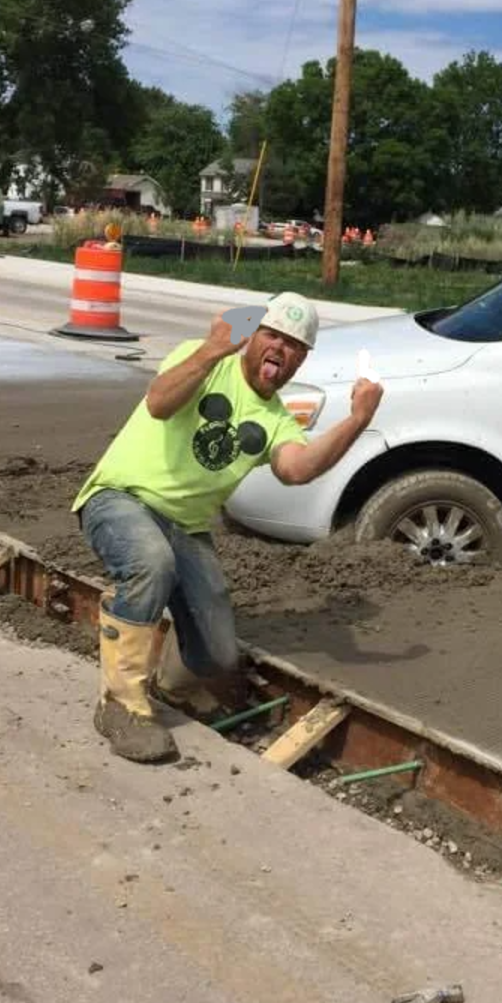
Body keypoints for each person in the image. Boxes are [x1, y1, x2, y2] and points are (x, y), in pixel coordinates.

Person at [72, 292, 384, 764]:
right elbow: (158, 403)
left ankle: (168, 690)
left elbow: (297, 469)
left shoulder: (276, 418)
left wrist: (358, 419)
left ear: (302, 359)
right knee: (149, 563)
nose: (281, 349)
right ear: (252, 336)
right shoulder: (200, 359)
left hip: (186, 529)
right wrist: (212, 349)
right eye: (273, 335)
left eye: (295, 344)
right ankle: (120, 705)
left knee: (217, 655)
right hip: (119, 498)